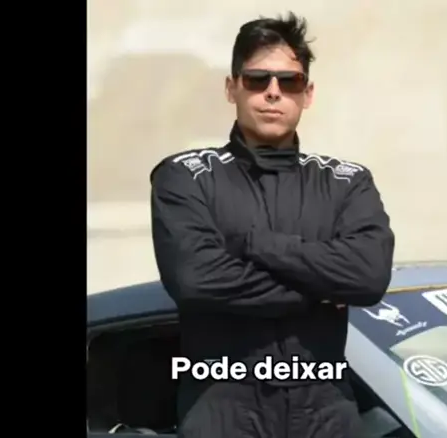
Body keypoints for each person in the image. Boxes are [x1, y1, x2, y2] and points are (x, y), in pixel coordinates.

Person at [150, 12, 395, 438]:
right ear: (232, 87)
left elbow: (369, 277)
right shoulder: (186, 176)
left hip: (327, 412)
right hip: (224, 409)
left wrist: (257, 245)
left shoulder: (346, 182)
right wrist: (322, 288)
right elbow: (196, 280)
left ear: (308, 93)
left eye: (290, 81)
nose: (273, 92)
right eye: (257, 79)